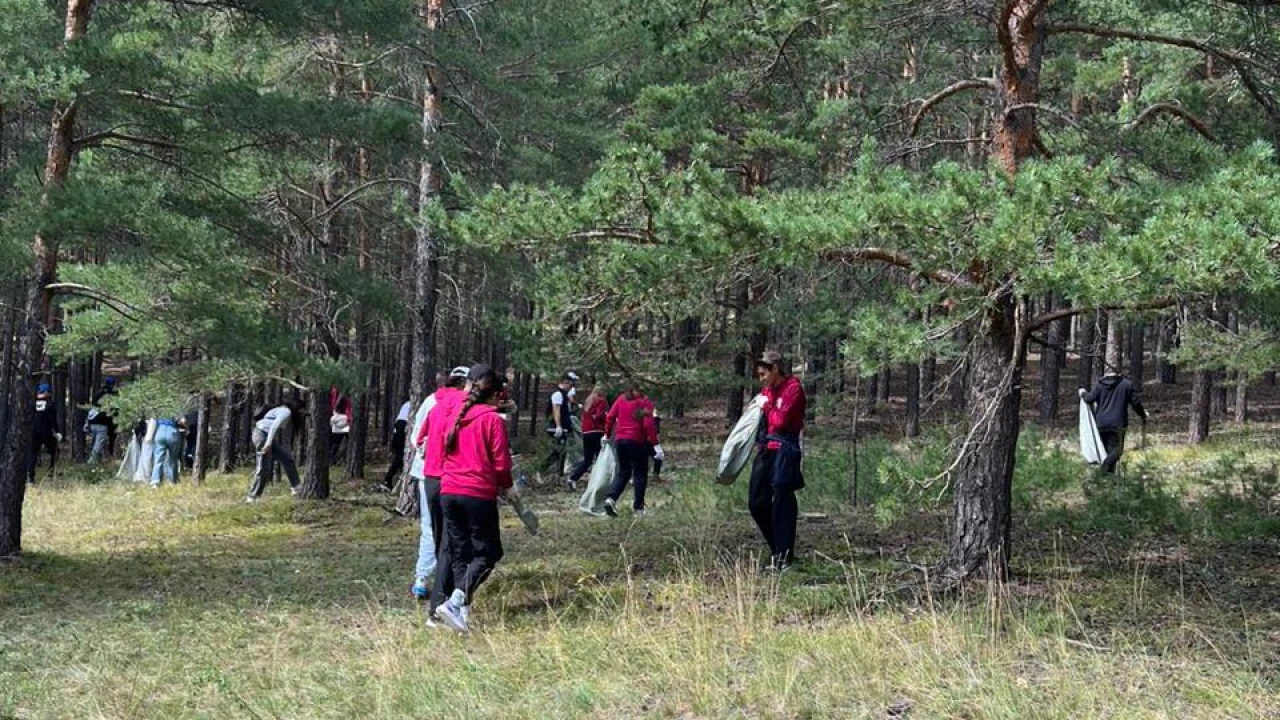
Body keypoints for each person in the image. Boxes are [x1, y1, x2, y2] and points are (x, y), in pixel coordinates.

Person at [432, 364, 514, 633]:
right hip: (476, 493)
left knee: (461, 552)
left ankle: (461, 615)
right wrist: (506, 487)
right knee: (489, 552)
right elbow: (501, 464)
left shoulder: (457, 414)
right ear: (494, 395)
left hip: (449, 491)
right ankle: (455, 603)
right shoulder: (492, 420)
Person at [410, 366, 470, 602]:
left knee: (435, 527)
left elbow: (417, 438)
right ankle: (424, 579)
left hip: (433, 474)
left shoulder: (433, 401)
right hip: (436, 474)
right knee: (438, 528)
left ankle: (430, 580)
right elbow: (418, 438)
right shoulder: (436, 402)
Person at [749, 350, 806, 573]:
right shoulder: (768, 391)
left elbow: (780, 421)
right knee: (756, 502)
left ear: (775, 369)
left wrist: (767, 406)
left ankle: (784, 556)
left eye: (763, 374)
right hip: (766, 450)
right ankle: (777, 549)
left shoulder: (793, 389)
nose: (761, 379)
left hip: (785, 450)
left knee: (783, 502)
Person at [602, 381, 662, 517]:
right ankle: (638, 508)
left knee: (623, 472)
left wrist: (606, 434)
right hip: (636, 440)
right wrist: (655, 444)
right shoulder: (644, 402)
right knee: (640, 474)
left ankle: (610, 499)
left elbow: (610, 417)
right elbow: (648, 425)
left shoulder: (620, 399)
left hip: (620, 440)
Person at [1080, 369, 1147, 474]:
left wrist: (1083, 393)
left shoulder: (1099, 385)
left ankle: (1108, 478)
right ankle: (1103, 470)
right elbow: (1136, 403)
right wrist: (1143, 415)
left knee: (1107, 451)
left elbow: (1089, 399)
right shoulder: (1126, 384)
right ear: (1119, 372)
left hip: (1101, 423)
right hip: (1118, 424)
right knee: (1117, 451)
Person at [247, 399, 302, 501]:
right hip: (262, 436)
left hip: (263, 435)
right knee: (263, 467)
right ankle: (252, 496)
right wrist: (268, 443)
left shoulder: (280, 409)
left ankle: (296, 487)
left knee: (287, 459)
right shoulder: (286, 411)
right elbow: (274, 426)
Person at [567, 383, 608, 490]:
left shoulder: (588, 400)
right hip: (597, 431)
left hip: (586, 432)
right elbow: (599, 415)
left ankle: (573, 478)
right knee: (601, 458)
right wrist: (606, 417)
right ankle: (599, 481)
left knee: (588, 460)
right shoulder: (601, 400)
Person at [541, 372, 578, 487]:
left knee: (562, 452)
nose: (570, 387)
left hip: (563, 428)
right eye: (569, 384)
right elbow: (556, 411)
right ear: (564, 383)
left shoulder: (564, 394)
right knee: (557, 451)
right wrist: (558, 426)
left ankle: (560, 475)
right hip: (555, 428)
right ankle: (541, 469)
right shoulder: (557, 394)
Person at [29, 383, 61, 483]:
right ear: (47, 392)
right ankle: (51, 472)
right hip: (46, 432)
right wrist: (58, 431)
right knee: (54, 450)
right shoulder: (51, 404)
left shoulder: (32, 403)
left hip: (34, 432)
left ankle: (30, 477)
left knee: (33, 454)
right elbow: (53, 420)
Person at [86, 377, 118, 464]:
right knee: (98, 444)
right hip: (103, 424)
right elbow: (114, 410)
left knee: (94, 443)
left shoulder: (98, 393)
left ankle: (97, 462)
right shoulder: (113, 396)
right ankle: (91, 462)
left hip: (93, 422)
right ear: (113, 384)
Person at [383, 398, 413, 490]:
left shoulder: (406, 404)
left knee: (399, 457)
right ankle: (388, 479)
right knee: (400, 457)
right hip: (402, 427)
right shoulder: (411, 404)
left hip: (399, 427)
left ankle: (391, 479)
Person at [150, 417, 183, 487]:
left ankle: (155, 482)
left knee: (158, 459)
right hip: (172, 431)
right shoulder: (177, 408)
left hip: (160, 431)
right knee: (173, 459)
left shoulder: (161, 407)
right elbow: (183, 420)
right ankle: (172, 481)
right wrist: (188, 428)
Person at [329, 386, 352, 463]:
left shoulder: (340, 391)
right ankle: (333, 459)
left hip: (342, 417)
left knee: (336, 441)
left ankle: (335, 459)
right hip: (341, 418)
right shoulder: (334, 390)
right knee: (335, 441)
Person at [181, 403, 199, 471]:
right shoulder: (200, 414)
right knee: (194, 447)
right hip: (197, 433)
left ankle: (187, 464)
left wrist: (187, 429)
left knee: (189, 447)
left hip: (190, 432)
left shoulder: (188, 414)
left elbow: (183, 421)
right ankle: (193, 463)